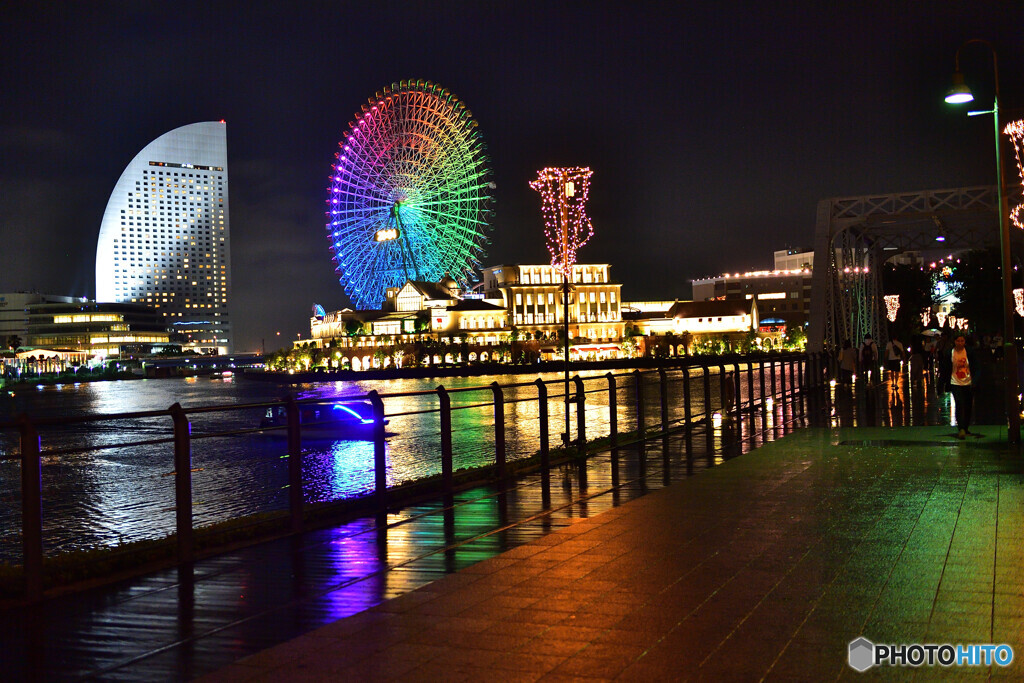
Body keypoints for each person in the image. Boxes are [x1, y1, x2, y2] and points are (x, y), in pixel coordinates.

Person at [950, 334, 977, 439]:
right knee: (960, 404)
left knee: (968, 405)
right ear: (954, 341)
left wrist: (975, 380)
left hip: (968, 382)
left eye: (962, 341)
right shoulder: (950, 353)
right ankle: (961, 428)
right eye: (958, 341)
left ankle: (965, 427)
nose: (960, 343)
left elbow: (976, 366)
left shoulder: (969, 352)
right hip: (955, 382)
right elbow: (945, 368)